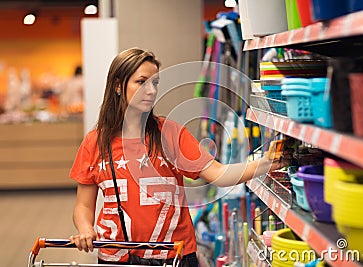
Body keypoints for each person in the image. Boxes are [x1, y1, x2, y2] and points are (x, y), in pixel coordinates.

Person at [69, 47, 287, 266]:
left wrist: (266, 163)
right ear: (118, 85)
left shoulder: (170, 133)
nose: (151, 91)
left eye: (155, 83)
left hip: (173, 257)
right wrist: (86, 229)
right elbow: (83, 206)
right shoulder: (95, 142)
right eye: (141, 82)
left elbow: (219, 174)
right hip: (116, 257)